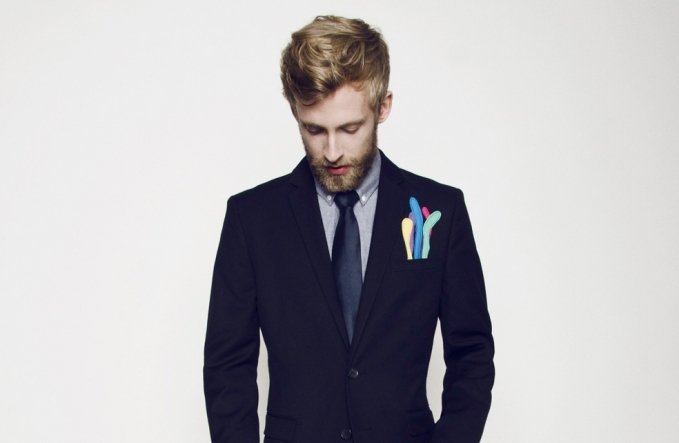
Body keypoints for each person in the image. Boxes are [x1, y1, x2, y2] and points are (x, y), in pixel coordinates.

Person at [203, 15, 494, 443]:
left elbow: (472, 352)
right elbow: (228, 366)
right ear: (294, 110)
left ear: (383, 106)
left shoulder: (441, 211)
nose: (332, 151)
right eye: (314, 129)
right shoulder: (252, 219)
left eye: (350, 128)